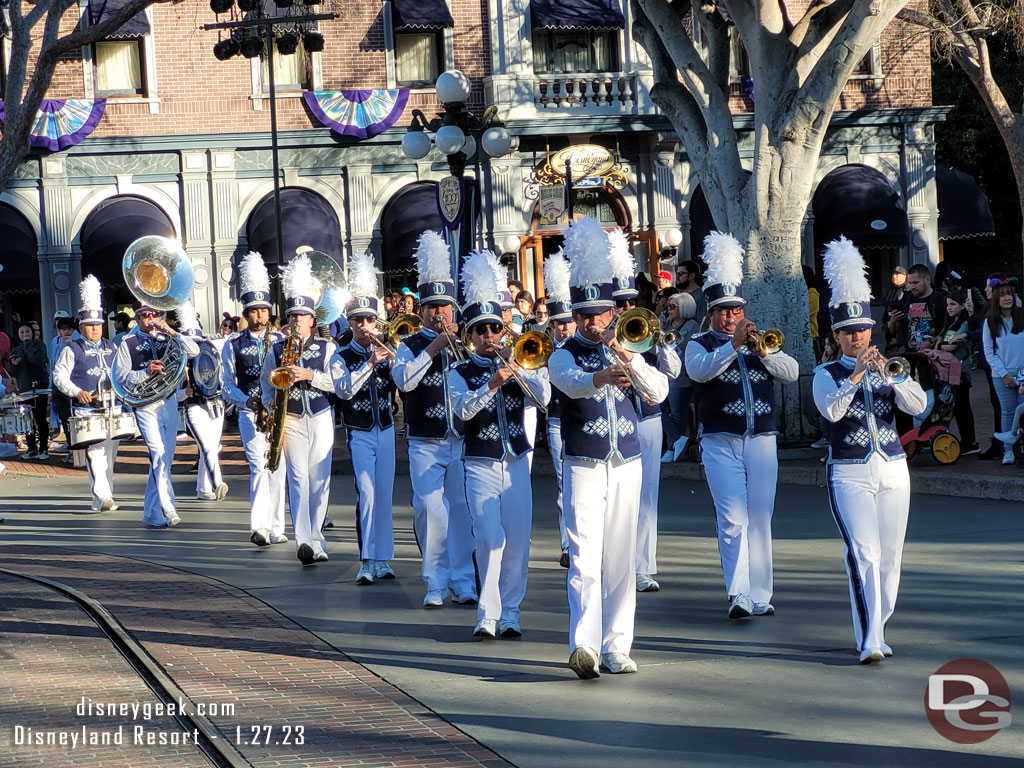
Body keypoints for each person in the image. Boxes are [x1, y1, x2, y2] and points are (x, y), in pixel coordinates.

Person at [548, 217, 668, 679]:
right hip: (583, 462)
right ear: (575, 317)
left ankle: (617, 646)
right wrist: (600, 375)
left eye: (601, 315)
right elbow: (571, 385)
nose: (595, 323)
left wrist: (630, 361)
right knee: (584, 558)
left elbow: (658, 393)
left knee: (620, 558)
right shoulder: (564, 351)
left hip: (627, 461)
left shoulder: (629, 345)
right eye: (586, 317)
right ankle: (584, 647)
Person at [813, 237, 928, 664]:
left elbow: (919, 407)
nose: (857, 338)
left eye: (862, 330)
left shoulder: (891, 367)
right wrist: (855, 376)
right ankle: (869, 640)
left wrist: (892, 378)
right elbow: (831, 411)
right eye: (848, 333)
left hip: (894, 467)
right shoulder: (826, 373)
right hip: (849, 470)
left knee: (891, 557)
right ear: (837, 336)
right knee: (864, 553)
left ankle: (879, 625)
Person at [685, 231, 799, 620]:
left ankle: (760, 592)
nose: (731, 316)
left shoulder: (760, 342)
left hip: (762, 439)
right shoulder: (699, 343)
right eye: (723, 310)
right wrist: (731, 346)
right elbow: (699, 374)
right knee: (732, 517)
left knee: (760, 516)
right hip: (719, 441)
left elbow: (792, 372)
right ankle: (738, 593)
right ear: (712, 313)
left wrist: (761, 351)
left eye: (736, 309)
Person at [449, 250, 550, 639]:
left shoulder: (520, 361)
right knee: (489, 537)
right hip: (478, 463)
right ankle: (486, 612)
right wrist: (492, 383)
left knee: (518, 540)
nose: (490, 337)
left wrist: (521, 370)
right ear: (471, 337)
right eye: (482, 331)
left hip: (517, 462)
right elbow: (463, 412)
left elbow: (543, 400)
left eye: (495, 329)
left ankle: (511, 612)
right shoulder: (461, 371)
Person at [391, 230, 476, 607]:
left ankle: (462, 580)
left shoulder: (467, 341)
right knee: (430, 509)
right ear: (421, 310)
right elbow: (404, 382)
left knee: (461, 509)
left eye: (445, 307)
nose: (439, 313)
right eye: (432, 307)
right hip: (424, 438)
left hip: (460, 436)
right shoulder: (407, 344)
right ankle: (435, 582)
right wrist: (433, 348)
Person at [609, 230, 678, 594]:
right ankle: (618, 562)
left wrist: (663, 342)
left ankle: (643, 565)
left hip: (649, 419)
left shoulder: (647, 331)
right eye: (619, 304)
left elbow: (674, 373)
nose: (625, 310)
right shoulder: (605, 337)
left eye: (630, 302)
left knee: (646, 495)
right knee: (618, 496)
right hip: (617, 421)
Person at [261, 255, 340, 564]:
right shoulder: (277, 348)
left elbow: (337, 384)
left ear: (312, 320)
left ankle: (318, 538)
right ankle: (303, 541)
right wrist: (272, 407)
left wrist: (310, 376)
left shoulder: (327, 347)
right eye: (292, 315)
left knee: (320, 480)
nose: (296, 320)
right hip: (291, 417)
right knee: (298, 479)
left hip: (320, 415)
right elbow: (266, 384)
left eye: (302, 315)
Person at [332, 252, 398, 584]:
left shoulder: (390, 350)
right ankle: (367, 559)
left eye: (369, 320)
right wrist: (369, 364)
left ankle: (383, 559)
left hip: (385, 427)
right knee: (367, 493)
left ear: (377, 322)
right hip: (359, 430)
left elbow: (404, 384)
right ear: (350, 323)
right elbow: (343, 390)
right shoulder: (341, 354)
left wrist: (394, 359)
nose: (364, 327)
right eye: (358, 321)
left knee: (384, 494)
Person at [114, 301, 200, 527]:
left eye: (153, 314)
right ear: (138, 318)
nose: (150, 318)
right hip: (145, 404)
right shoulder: (128, 343)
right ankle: (168, 507)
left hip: (168, 401)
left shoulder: (168, 338)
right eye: (144, 315)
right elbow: (120, 376)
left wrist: (171, 331)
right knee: (158, 453)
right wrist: (145, 372)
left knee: (165, 458)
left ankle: (151, 513)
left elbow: (194, 351)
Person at [222, 253, 288, 547]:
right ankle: (259, 526)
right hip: (252, 411)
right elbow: (226, 384)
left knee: (278, 466)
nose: (259, 315)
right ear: (245, 313)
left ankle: (277, 526)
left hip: (280, 411)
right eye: (254, 311)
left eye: (263, 310)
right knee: (258, 466)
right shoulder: (233, 344)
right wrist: (246, 401)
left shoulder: (282, 341)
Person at [53, 275, 121, 510]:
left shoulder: (112, 346)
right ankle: (103, 496)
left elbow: (122, 373)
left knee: (109, 457)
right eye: (91, 325)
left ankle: (102, 497)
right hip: (87, 410)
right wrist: (77, 391)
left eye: (98, 325)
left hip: (113, 408)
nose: (95, 329)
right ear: (81, 327)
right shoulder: (72, 348)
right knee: (95, 452)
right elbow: (59, 376)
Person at [541, 250, 575, 568]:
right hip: (556, 420)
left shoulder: (582, 346)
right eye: (559, 324)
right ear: (550, 324)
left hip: (583, 421)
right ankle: (567, 544)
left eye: (569, 323)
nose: (564, 329)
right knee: (565, 483)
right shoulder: (544, 348)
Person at [177, 302, 229, 501]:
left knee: (212, 447)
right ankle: (218, 483)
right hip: (194, 406)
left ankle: (203, 488)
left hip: (216, 404)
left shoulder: (211, 352)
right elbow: (173, 393)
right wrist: (184, 393)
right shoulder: (178, 360)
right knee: (207, 447)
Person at [929, 290, 978, 454]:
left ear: (963, 306)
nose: (949, 308)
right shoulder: (948, 324)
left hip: (961, 373)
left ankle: (970, 442)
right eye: (947, 304)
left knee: (963, 408)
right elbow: (940, 345)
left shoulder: (965, 324)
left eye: (953, 304)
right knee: (951, 407)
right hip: (946, 372)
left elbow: (951, 346)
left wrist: (943, 345)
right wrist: (943, 344)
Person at [982, 279, 1024, 465]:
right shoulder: (990, 322)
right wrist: (1005, 374)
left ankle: (1021, 447)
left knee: (1022, 411)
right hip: (1001, 374)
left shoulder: (1022, 316)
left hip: (1023, 372)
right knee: (1008, 411)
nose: (1007, 298)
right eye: (1003, 295)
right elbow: (989, 352)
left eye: (1010, 294)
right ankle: (1008, 450)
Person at [661, 292, 701, 463]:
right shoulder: (666, 323)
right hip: (664, 374)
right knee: (657, 409)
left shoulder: (693, 326)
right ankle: (678, 440)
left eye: (672, 306)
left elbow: (688, 349)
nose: (668, 309)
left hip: (682, 375)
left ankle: (673, 449)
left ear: (684, 307)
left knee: (678, 413)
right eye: (667, 306)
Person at [9, 322, 49, 459]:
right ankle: (31, 448)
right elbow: (11, 371)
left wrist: (28, 344)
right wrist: (14, 365)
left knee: (41, 418)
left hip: (39, 388)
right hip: (25, 389)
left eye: (27, 332)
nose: (25, 335)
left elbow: (37, 360)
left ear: (32, 333)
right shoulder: (16, 349)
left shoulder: (39, 345)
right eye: (22, 333)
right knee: (27, 420)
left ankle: (43, 448)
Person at [888, 264, 945, 353]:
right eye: (910, 283)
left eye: (916, 283)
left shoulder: (939, 300)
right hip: (909, 353)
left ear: (927, 280)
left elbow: (947, 330)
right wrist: (893, 321)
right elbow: (893, 331)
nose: (912, 287)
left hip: (933, 353)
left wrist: (931, 342)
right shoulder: (905, 300)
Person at [882, 266, 908, 355]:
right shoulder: (891, 290)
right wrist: (884, 322)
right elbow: (887, 308)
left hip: (902, 328)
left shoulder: (908, 291)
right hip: (890, 328)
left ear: (905, 276)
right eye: (893, 274)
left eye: (897, 274)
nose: (894, 277)